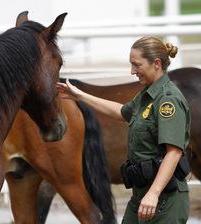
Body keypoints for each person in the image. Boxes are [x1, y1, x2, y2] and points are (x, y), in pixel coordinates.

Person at [57, 36, 191, 224]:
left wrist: (153, 194)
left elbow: (174, 153)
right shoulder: (147, 94)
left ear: (156, 63)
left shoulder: (168, 101)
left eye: (137, 65)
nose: (132, 71)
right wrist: (79, 96)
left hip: (164, 199)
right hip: (140, 195)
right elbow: (122, 112)